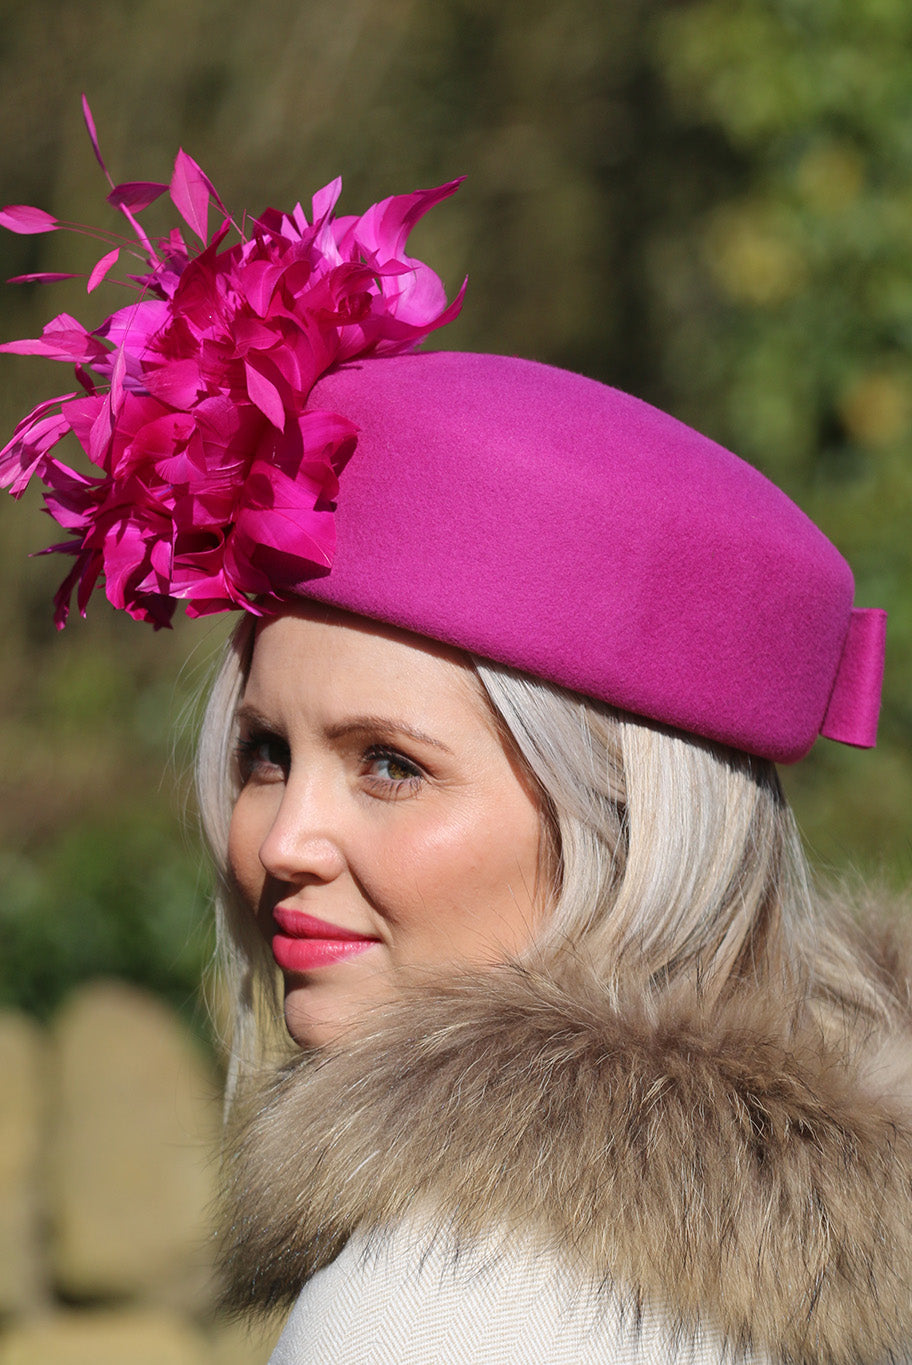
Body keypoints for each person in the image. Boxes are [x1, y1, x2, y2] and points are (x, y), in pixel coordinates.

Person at [3, 111, 911, 1363]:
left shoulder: (436, 1301)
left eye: (390, 765)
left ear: (630, 827)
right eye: (265, 753)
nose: (286, 840)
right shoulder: (822, 1267)